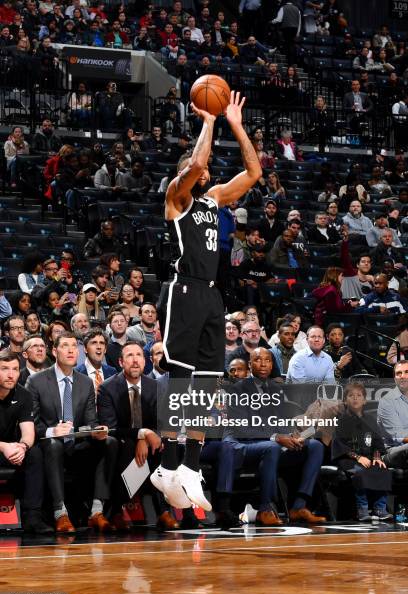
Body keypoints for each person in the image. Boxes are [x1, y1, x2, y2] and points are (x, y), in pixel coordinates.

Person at [151, 91, 262, 512]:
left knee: (207, 383)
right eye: (197, 169)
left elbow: (253, 171)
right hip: (183, 290)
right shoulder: (176, 199)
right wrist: (210, 121)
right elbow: (197, 162)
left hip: (213, 294)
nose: (206, 170)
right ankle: (168, 463)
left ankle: (190, 468)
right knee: (181, 380)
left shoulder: (214, 199)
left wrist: (235, 122)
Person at [25, 332, 117, 533]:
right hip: (48, 447)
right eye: (65, 346)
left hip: (77, 445)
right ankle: (60, 513)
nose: (70, 350)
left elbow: (90, 421)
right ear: (54, 351)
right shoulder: (37, 381)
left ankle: (96, 510)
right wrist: (52, 431)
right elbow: (30, 423)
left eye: (74, 346)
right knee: (53, 443)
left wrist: (95, 431)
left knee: (109, 442)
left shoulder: (85, 383)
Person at [222, 347, 326, 525]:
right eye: (258, 360)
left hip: (272, 445)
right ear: (250, 364)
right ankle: (265, 509)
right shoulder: (237, 389)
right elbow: (241, 428)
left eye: (268, 360)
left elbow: (280, 421)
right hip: (244, 445)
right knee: (272, 447)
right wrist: (277, 437)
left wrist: (292, 435)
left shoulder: (276, 389)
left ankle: (298, 506)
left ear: (272, 364)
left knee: (315, 446)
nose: (263, 364)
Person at [98, 341, 179, 530]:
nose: (135, 361)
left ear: (145, 361)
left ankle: (164, 512)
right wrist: (142, 433)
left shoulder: (157, 387)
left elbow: (165, 422)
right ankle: (118, 510)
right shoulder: (107, 388)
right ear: (120, 362)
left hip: (150, 442)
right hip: (121, 441)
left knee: (164, 446)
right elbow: (110, 427)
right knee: (127, 449)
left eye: (139, 356)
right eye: (129, 356)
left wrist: (148, 437)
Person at [0, 348, 52, 534]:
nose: (11, 374)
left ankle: (32, 516)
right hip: (3, 447)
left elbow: (28, 431)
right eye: (5, 368)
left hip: (11, 447)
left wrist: (22, 447)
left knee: (35, 452)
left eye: (15, 369)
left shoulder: (23, 394)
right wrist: (4, 446)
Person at [333, 382, 392, 521]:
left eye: (359, 395)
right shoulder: (341, 420)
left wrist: (377, 457)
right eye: (351, 395)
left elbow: (377, 443)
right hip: (348, 459)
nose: (355, 398)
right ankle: (363, 509)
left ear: (364, 400)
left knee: (383, 469)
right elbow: (340, 444)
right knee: (359, 472)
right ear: (345, 400)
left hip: (368, 458)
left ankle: (380, 508)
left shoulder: (370, 420)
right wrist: (358, 457)